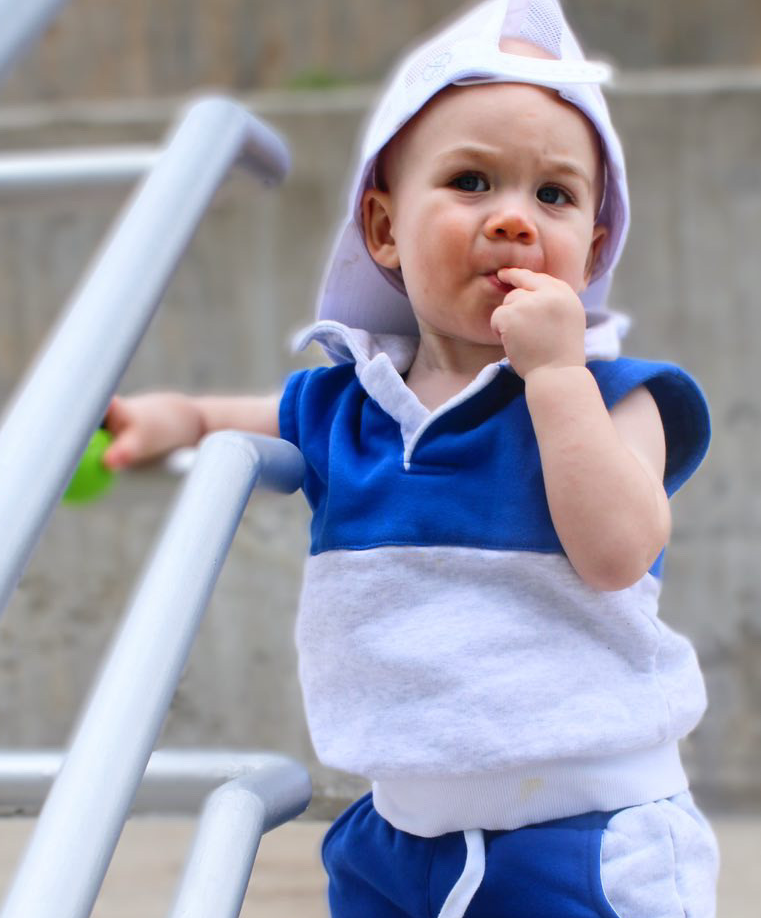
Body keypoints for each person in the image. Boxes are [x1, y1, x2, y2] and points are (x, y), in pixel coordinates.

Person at [104, 1, 719, 915]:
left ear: (589, 254)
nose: (514, 220)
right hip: (395, 837)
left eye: (552, 196)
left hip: (581, 836)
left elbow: (618, 549)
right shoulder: (342, 404)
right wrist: (178, 417)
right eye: (472, 181)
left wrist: (553, 372)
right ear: (385, 229)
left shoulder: (617, 395)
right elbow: (244, 413)